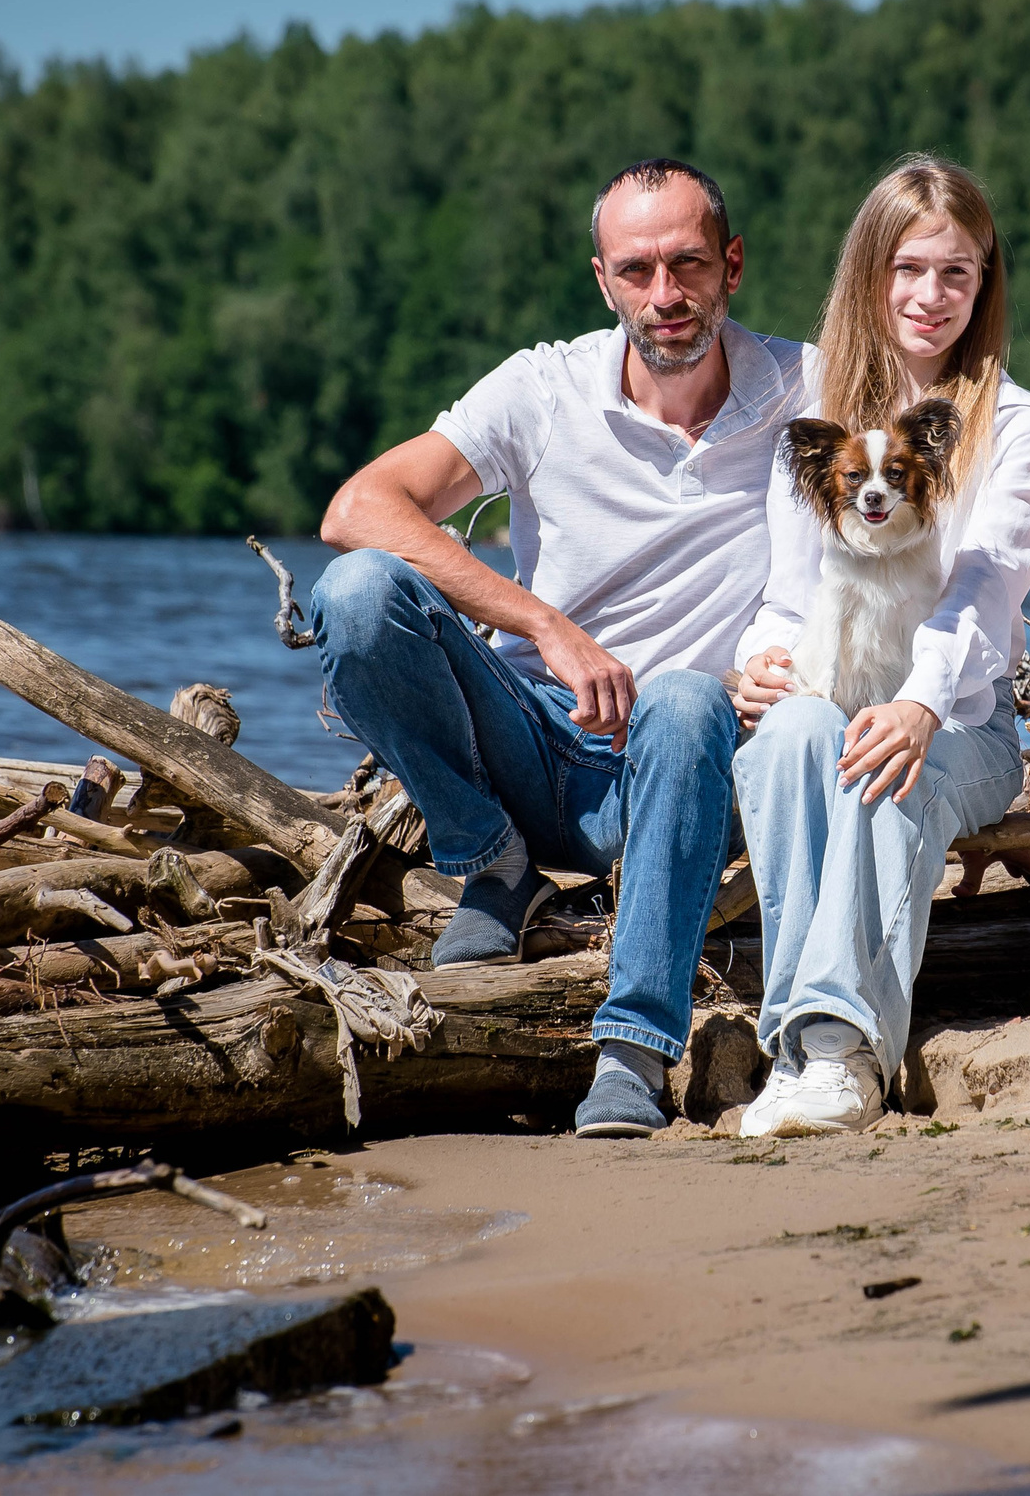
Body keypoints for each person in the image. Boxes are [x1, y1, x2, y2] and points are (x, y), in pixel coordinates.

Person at [308, 158, 805, 1138]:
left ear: (733, 264)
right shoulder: (543, 387)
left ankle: (630, 1052)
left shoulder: (807, 383)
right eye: (636, 270)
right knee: (359, 593)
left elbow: (960, 426)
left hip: (694, 765)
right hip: (534, 740)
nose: (664, 296)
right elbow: (357, 507)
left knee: (685, 697)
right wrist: (547, 624)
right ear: (601, 278)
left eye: (688, 264)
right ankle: (492, 861)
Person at [726, 156, 1030, 1136]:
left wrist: (918, 702)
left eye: (956, 272)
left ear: (984, 282)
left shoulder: (1020, 426)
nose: (930, 294)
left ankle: (832, 1052)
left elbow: (984, 586)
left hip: (963, 717)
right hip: (837, 681)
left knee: (884, 762)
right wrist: (761, 659)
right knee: (789, 740)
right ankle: (799, 1049)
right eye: (909, 268)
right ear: (872, 273)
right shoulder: (817, 410)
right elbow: (791, 588)